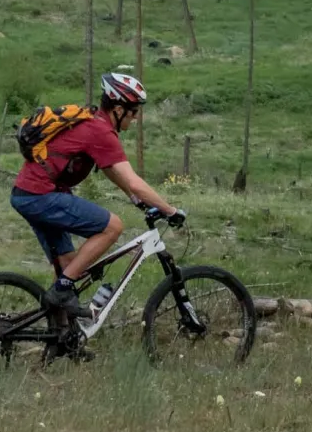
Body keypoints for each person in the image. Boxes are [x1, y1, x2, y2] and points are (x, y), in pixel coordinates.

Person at [11, 71, 185, 314]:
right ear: (117, 108)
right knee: (112, 227)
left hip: (28, 194)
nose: (135, 118)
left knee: (70, 266)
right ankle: (61, 289)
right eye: (133, 112)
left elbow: (112, 170)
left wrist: (134, 198)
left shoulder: (93, 122)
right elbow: (134, 181)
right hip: (40, 196)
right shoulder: (100, 131)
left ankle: (65, 337)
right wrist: (171, 211)